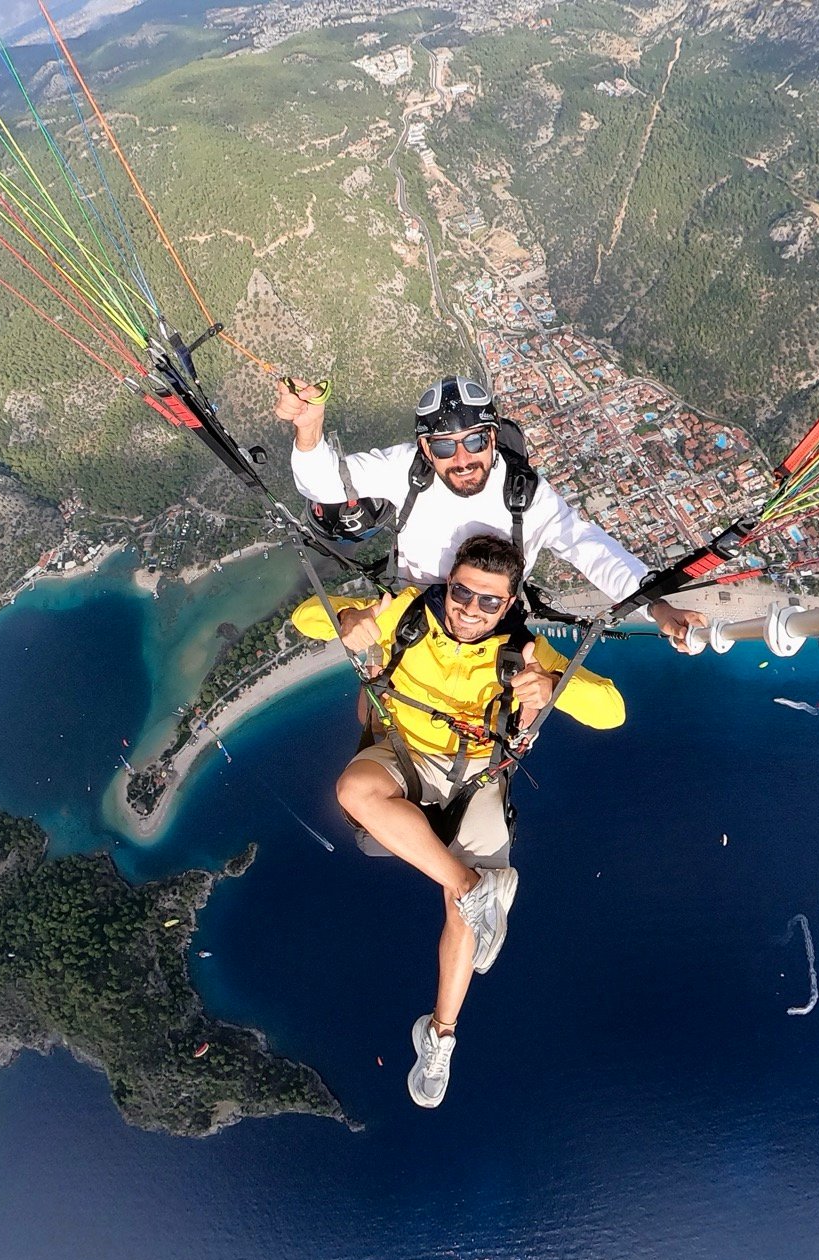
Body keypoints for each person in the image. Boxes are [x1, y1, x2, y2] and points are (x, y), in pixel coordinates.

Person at [291, 533, 625, 1108]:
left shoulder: (525, 652)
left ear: (511, 602)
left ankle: (440, 1036)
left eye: (488, 602)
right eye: (463, 594)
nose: (470, 610)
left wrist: (553, 688)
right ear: (449, 585)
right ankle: (470, 886)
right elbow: (306, 617)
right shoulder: (408, 613)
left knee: (464, 917)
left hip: (476, 773)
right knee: (355, 790)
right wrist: (350, 617)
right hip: (405, 753)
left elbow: (612, 710)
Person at [275, 373, 706, 650]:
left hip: (492, 622)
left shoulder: (524, 494)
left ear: (494, 439)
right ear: (426, 448)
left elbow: (587, 547)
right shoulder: (408, 468)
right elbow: (324, 486)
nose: (462, 459)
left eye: (476, 442)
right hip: (413, 609)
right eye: (445, 446)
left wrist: (658, 608)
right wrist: (309, 429)